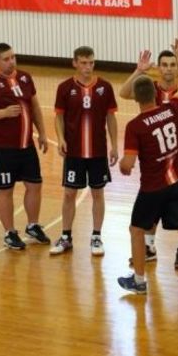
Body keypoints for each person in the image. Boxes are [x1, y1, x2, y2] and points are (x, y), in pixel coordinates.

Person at [117, 37, 178, 306]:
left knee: (136, 228)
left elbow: (128, 164)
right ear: (155, 91)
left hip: (154, 187)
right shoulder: (172, 108)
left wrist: (122, 165)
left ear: (137, 98)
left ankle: (139, 281)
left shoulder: (135, 126)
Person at [119, 49, 178, 268]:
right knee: (152, 207)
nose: (168, 69)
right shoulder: (151, 89)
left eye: (173, 65)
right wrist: (139, 71)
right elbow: (124, 93)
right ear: (159, 68)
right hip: (155, 161)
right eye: (164, 65)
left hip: (177, 160)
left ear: (177, 68)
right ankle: (149, 247)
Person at [0, 43, 51, 250]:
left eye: (13, 57)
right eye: (6, 59)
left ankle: (32, 226)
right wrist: (3, 113)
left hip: (26, 144)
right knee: (6, 189)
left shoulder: (25, 77)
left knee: (34, 185)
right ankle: (9, 232)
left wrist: (43, 133)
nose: (11, 62)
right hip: (2, 147)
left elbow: (34, 106)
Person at [50, 46, 118, 256]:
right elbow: (59, 117)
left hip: (98, 152)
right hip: (74, 153)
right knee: (69, 193)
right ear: (75, 63)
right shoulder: (64, 88)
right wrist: (61, 139)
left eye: (91, 63)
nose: (88, 67)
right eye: (83, 63)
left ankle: (96, 236)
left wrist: (115, 145)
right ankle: (66, 237)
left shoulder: (105, 87)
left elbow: (111, 117)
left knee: (98, 193)